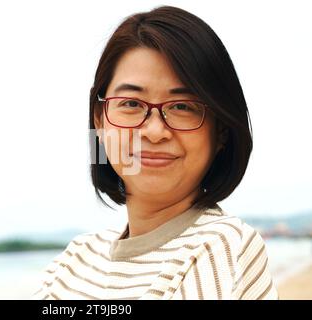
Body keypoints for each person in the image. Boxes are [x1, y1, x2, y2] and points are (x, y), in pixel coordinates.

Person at [32, 5, 279, 300]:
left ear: (221, 131)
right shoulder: (72, 262)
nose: (154, 131)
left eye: (182, 107)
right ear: (99, 120)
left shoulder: (223, 245)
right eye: (132, 104)